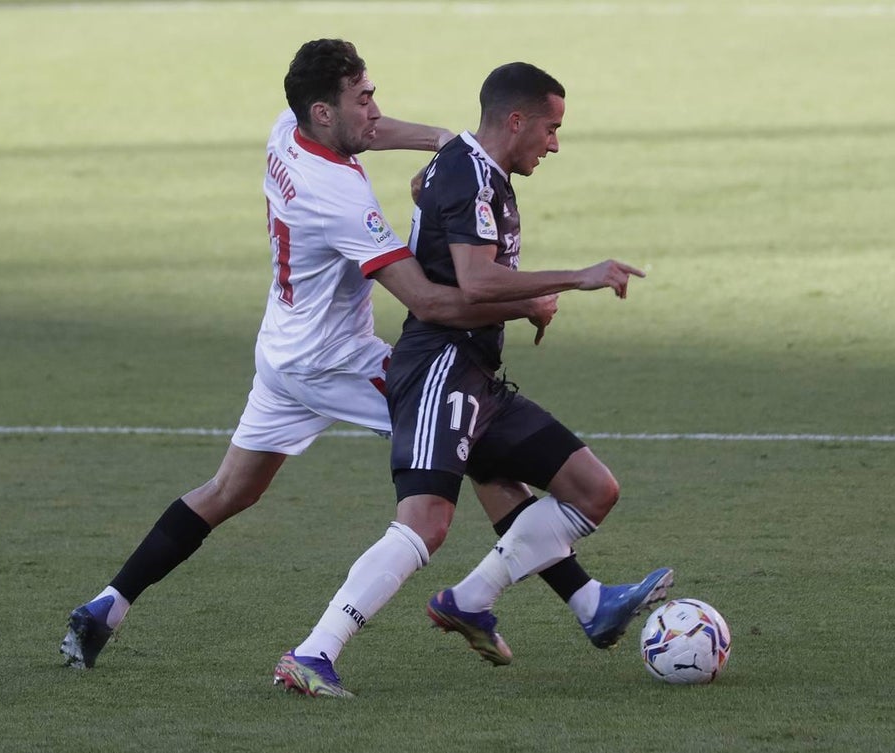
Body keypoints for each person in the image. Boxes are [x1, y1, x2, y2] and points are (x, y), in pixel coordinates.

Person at [60, 40, 668, 672]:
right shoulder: (340, 200)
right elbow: (432, 301)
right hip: (336, 361)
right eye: (364, 98)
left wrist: (446, 141)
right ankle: (550, 603)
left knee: (227, 491)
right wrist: (540, 295)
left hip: (283, 349)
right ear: (325, 112)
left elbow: (369, 136)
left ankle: (107, 605)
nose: (375, 108)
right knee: (469, 436)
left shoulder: (288, 130)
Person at [274, 61, 672, 698]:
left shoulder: (472, 170)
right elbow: (478, 282)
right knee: (426, 522)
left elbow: (423, 194)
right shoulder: (467, 170)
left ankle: (481, 599)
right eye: (551, 127)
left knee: (593, 489)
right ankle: (313, 652)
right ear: (515, 121)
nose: (556, 143)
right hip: (438, 368)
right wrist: (576, 277)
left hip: (478, 373)